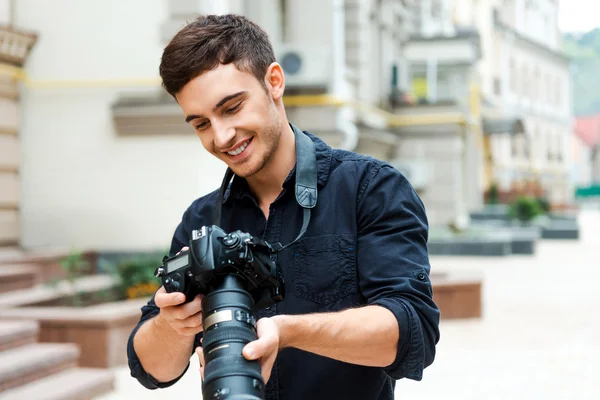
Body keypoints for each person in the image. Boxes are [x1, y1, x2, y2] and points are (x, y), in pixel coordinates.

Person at [127, 13, 440, 400]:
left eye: (231, 108)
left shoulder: (369, 189)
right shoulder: (203, 219)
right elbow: (151, 369)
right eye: (201, 124)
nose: (221, 137)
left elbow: (414, 334)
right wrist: (171, 325)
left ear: (274, 82)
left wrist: (287, 331)